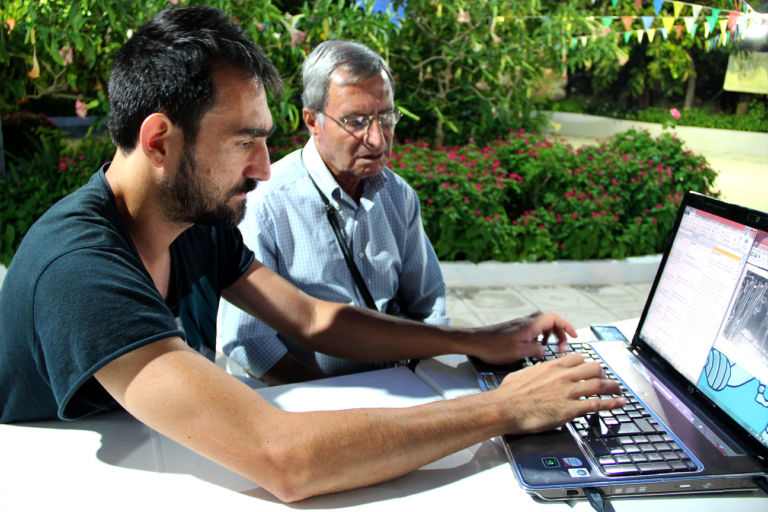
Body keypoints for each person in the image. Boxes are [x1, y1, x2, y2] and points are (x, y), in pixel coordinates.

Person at [0, 6, 625, 503]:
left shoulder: (192, 223)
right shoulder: (81, 267)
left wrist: (477, 338)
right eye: (246, 141)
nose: (266, 170)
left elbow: (313, 319)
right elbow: (284, 458)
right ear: (160, 140)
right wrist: (506, 407)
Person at [218, 40, 448, 385]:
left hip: (403, 386)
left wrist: (429, 380)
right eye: (356, 121)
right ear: (312, 120)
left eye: (386, 118)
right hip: (312, 398)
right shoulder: (267, 204)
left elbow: (429, 305)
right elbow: (248, 341)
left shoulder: (398, 195)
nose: (376, 139)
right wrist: (327, 399)